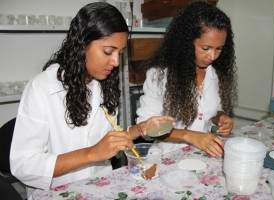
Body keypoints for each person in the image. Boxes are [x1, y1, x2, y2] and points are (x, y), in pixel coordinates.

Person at [10, 2, 173, 199]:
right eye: (108, 51)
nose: (115, 62)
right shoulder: (42, 89)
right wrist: (92, 153)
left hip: (99, 188)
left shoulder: (102, 84)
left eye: (119, 53)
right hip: (57, 193)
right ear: (82, 44)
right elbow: (23, 165)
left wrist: (139, 130)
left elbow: (108, 141)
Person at [136, 1, 238, 157]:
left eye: (219, 48)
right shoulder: (159, 76)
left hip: (203, 154)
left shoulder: (216, 74)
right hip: (168, 156)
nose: (212, 56)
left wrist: (221, 117)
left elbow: (207, 111)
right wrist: (189, 135)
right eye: (205, 48)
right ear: (186, 42)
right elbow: (147, 129)